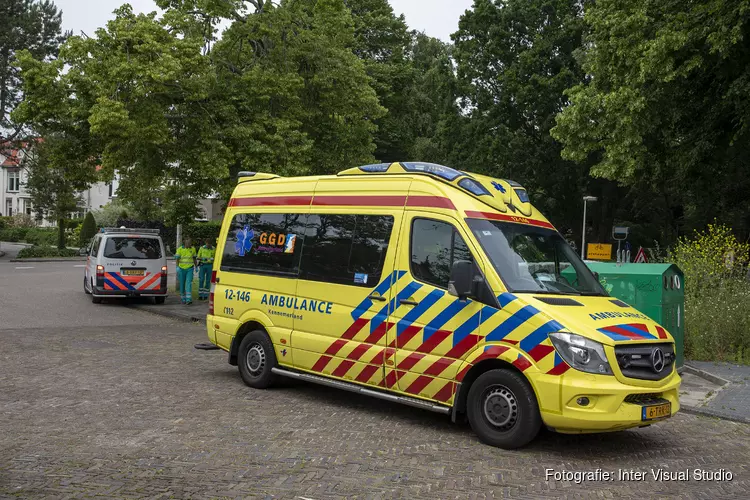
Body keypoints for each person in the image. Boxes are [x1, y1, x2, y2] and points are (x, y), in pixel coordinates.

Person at [175, 237, 197, 305]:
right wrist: (177, 267)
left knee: (188, 283)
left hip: (190, 269)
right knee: (182, 284)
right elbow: (177, 259)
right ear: (185, 242)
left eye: (190, 243)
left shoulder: (193, 249)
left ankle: (188, 299)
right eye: (188, 243)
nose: (189, 244)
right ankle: (183, 298)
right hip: (181, 269)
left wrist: (196, 267)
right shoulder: (180, 249)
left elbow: (194, 258)